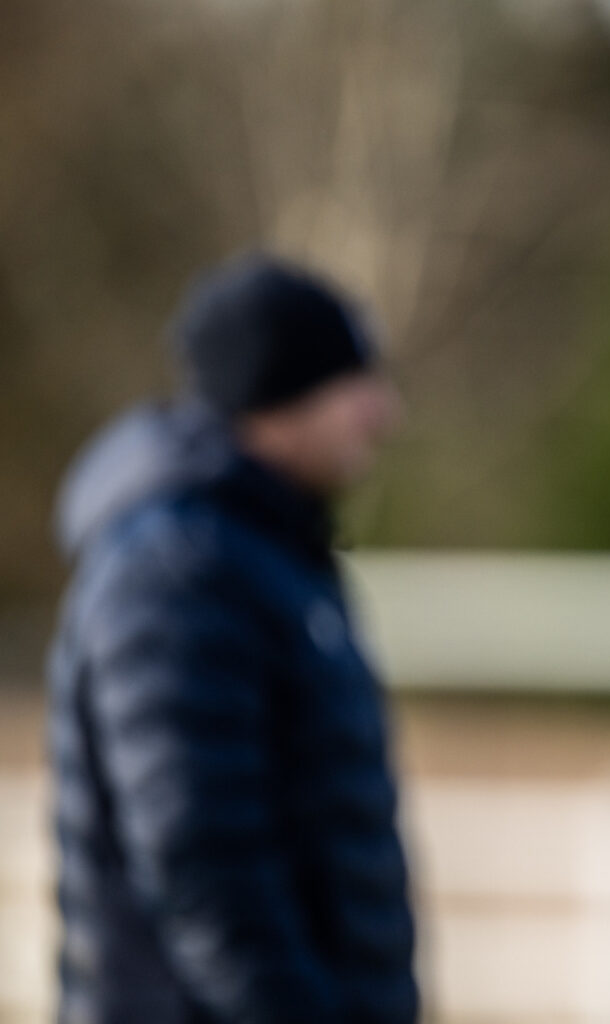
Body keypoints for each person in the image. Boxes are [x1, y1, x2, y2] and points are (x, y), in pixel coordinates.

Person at [46, 255, 416, 1023]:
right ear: (282, 392)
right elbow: (202, 861)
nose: (383, 414)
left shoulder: (266, 555)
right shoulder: (177, 571)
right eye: (355, 384)